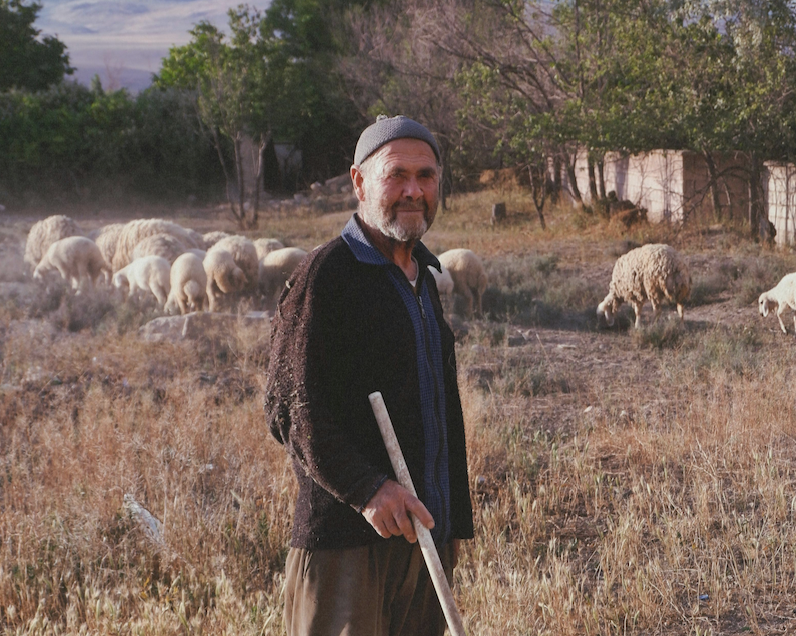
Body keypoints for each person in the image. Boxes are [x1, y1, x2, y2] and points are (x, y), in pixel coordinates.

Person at [264, 114, 474, 636]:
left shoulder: (423, 278)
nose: (413, 191)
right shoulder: (327, 276)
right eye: (396, 175)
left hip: (424, 538)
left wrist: (451, 522)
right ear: (359, 182)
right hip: (348, 546)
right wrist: (368, 489)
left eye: (425, 176)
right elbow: (289, 407)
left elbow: (438, 407)